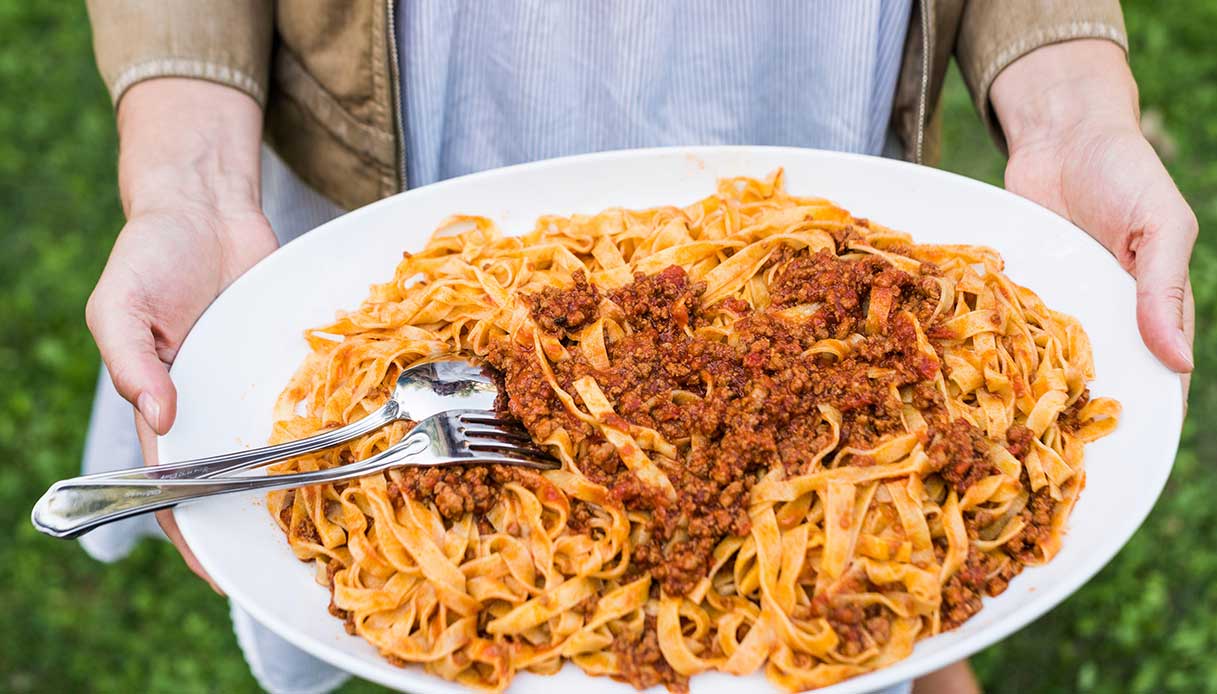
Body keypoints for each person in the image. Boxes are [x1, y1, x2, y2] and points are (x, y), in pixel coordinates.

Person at [80, 2, 1195, 693]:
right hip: (401, 160)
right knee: (401, 509)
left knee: (889, 491)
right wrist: (187, 178)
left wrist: (1068, 106)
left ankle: (885, 618)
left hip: (812, 91)